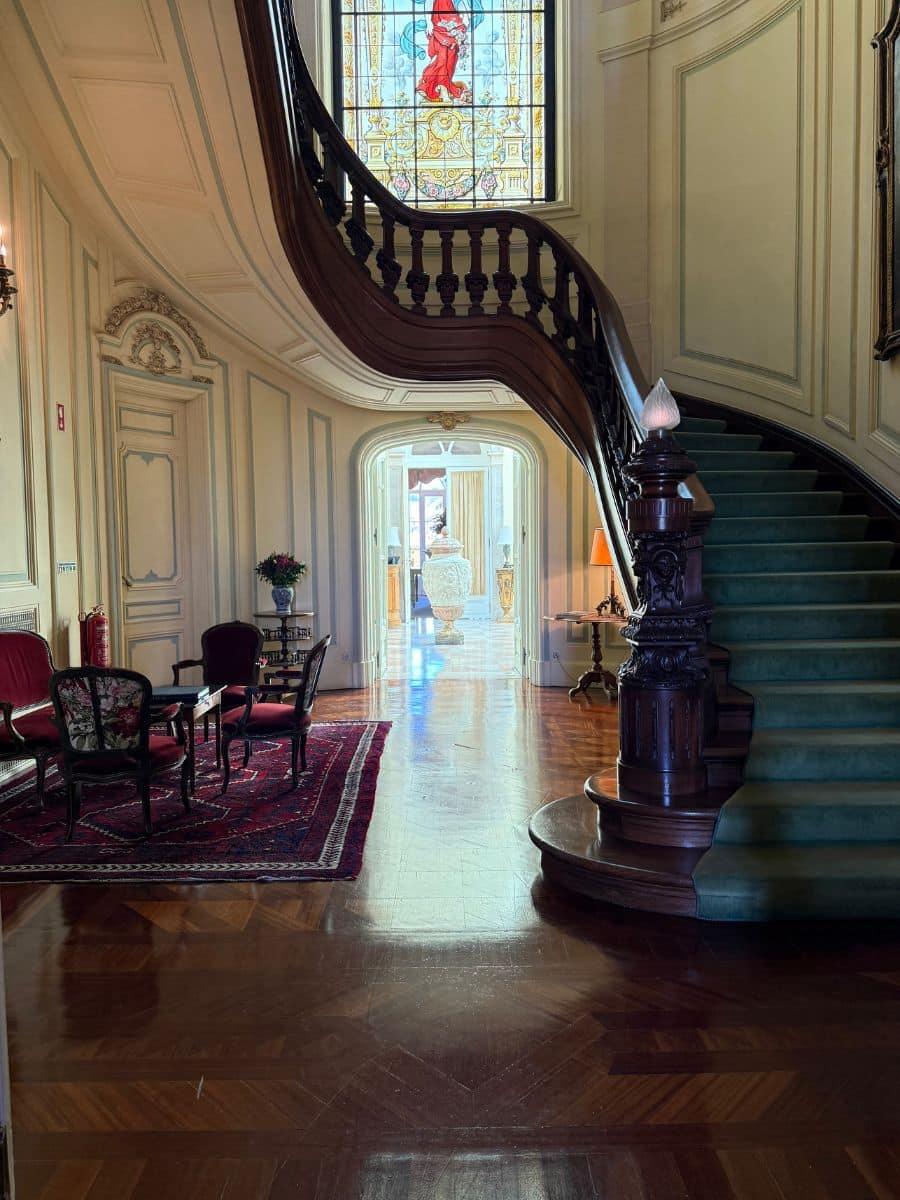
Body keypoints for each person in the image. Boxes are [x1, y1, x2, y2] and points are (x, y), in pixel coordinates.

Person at [417, 0, 469, 103]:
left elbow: (460, 2)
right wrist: (429, 23)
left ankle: (440, 87)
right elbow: (428, 3)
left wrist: (466, 15)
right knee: (442, 59)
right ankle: (443, 90)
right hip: (439, 26)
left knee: (451, 60)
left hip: (454, 25)